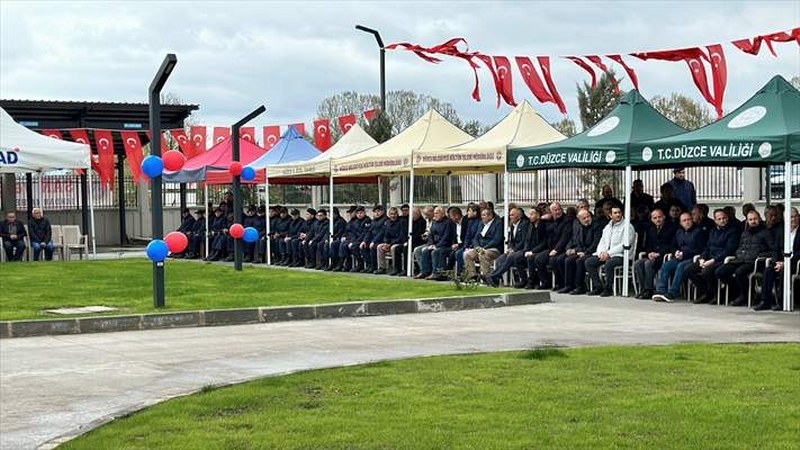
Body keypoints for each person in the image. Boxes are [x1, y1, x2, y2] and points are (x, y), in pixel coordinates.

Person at [715, 210, 772, 306]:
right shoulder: (745, 233)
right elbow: (740, 246)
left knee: (740, 272)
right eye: (750, 219)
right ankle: (737, 292)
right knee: (721, 271)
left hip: (755, 262)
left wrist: (760, 255)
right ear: (747, 221)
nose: (753, 221)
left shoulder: (766, 233)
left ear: (759, 219)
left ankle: (745, 295)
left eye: (755, 219)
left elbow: (772, 249)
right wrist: (739, 254)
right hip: (741, 259)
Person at [685, 208, 740, 304]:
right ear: (715, 220)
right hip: (709, 258)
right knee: (689, 269)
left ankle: (715, 294)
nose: (722, 220)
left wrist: (713, 260)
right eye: (719, 219)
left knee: (707, 271)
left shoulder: (732, 231)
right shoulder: (713, 231)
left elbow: (729, 250)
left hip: (722, 259)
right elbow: (707, 247)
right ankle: (705, 292)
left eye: (724, 218)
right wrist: (702, 258)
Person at [652, 213, 706, 302]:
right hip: (680, 256)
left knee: (680, 266)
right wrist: (675, 252)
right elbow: (673, 246)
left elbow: (700, 248)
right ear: (680, 223)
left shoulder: (699, 232)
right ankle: (661, 291)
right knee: (666, 265)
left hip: (692, 258)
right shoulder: (679, 232)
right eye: (684, 221)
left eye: (689, 219)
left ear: (692, 220)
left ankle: (672, 293)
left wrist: (683, 253)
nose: (687, 222)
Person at [754, 207, 799, 311]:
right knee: (768, 270)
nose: (793, 219)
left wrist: (786, 263)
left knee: (784, 271)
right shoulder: (781, 231)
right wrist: (777, 261)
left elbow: (799, 252)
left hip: (795, 263)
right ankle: (765, 301)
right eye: (790, 217)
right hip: (781, 261)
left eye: (795, 216)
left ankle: (782, 302)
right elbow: (775, 249)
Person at [585, 206, 634, 297]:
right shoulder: (607, 227)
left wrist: (609, 254)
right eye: (615, 213)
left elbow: (624, 245)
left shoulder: (628, 226)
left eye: (619, 212)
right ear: (610, 215)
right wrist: (601, 253)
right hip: (606, 254)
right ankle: (598, 287)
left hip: (621, 256)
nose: (618, 214)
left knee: (609, 264)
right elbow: (602, 242)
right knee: (589, 262)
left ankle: (608, 288)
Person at [633, 209, 678, 299]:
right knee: (638, 263)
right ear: (652, 220)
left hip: (663, 256)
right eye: (655, 218)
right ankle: (643, 289)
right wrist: (649, 253)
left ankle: (649, 290)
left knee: (648, 263)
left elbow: (672, 245)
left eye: (659, 217)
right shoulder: (651, 229)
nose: (657, 220)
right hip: (652, 256)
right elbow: (648, 245)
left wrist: (659, 254)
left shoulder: (671, 228)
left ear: (664, 217)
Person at [556, 208, 601, 295]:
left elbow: (596, 243)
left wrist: (585, 252)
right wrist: (569, 249)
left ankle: (580, 287)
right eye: (584, 218)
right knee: (565, 259)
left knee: (580, 261)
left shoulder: (596, 226)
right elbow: (573, 239)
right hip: (580, 249)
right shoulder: (577, 225)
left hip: (592, 251)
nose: (587, 219)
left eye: (588, 217)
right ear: (579, 219)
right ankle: (568, 285)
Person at [485, 207, 529, 288]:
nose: (510, 217)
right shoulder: (512, 225)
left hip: (522, 249)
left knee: (511, 257)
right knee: (500, 259)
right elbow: (511, 240)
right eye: (510, 215)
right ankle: (496, 279)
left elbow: (524, 241)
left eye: (512, 215)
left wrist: (514, 250)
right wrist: (509, 248)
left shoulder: (524, 224)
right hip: (514, 249)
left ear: (519, 216)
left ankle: (493, 276)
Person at [533, 202, 573, 290]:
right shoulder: (550, 221)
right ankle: (545, 282)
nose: (558, 212)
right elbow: (541, 234)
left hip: (562, 248)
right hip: (550, 247)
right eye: (555, 210)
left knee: (554, 260)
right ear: (551, 212)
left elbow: (565, 238)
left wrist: (556, 250)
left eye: (559, 209)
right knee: (538, 259)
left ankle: (560, 283)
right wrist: (542, 220)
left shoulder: (567, 220)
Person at [463, 208, 503, 282]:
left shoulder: (498, 223)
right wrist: (477, 247)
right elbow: (475, 238)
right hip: (480, 248)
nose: (482, 217)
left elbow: (497, 239)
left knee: (483, 254)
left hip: (493, 248)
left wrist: (484, 248)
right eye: (482, 215)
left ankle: (486, 277)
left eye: (484, 215)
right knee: (467, 254)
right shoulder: (481, 224)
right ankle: (472, 276)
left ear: (490, 216)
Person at [416, 206, 455, 280]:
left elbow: (446, 237)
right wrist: (431, 244)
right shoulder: (434, 222)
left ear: (443, 214)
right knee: (425, 250)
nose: (435, 215)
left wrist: (437, 245)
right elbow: (431, 235)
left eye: (437, 213)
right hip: (435, 244)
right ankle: (425, 271)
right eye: (434, 213)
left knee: (435, 252)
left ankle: (436, 273)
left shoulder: (448, 222)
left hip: (446, 245)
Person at [375, 207, 406, 275]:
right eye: (391, 214)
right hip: (390, 242)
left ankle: (395, 268)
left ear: (397, 214)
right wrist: (386, 243)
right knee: (379, 247)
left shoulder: (402, 222)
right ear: (389, 214)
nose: (393, 216)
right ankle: (382, 267)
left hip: (399, 242)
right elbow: (386, 234)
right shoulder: (387, 222)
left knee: (393, 248)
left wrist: (391, 244)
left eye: (395, 214)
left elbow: (401, 236)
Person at [523, 208, 547, 288]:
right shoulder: (531, 226)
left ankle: (543, 281)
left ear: (538, 215)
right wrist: (526, 250)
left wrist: (533, 251)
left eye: (532, 214)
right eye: (529, 214)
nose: (530, 216)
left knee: (536, 258)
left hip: (543, 249)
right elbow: (527, 240)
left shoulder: (543, 225)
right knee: (519, 257)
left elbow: (544, 242)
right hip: (532, 249)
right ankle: (529, 281)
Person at [454, 204, 481, 277]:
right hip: (468, 245)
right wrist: (465, 246)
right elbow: (467, 236)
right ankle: (462, 273)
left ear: (475, 212)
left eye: (469, 211)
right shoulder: (470, 222)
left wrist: (471, 246)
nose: (467, 213)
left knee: (462, 253)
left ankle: (467, 274)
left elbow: (477, 236)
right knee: (458, 253)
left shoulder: (480, 222)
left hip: (475, 245)